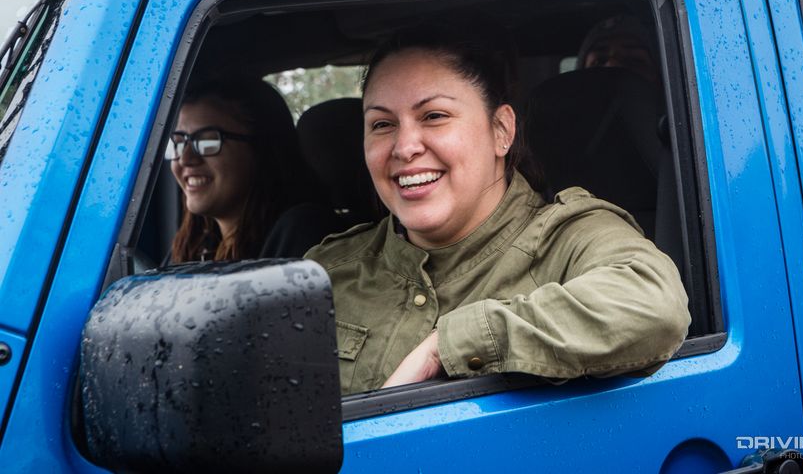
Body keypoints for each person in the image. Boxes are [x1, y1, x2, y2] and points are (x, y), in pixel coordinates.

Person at [304, 26, 691, 395]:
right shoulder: (328, 271)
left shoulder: (568, 238)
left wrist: (446, 346)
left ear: (502, 130)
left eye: (434, 116)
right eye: (382, 124)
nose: (404, 148)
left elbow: (654, 306)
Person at [168, 77, 339, 263]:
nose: (185, 158)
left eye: (208, 141)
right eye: (178, 142)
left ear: (262, 149)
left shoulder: (303, 232)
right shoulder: (200, 245)